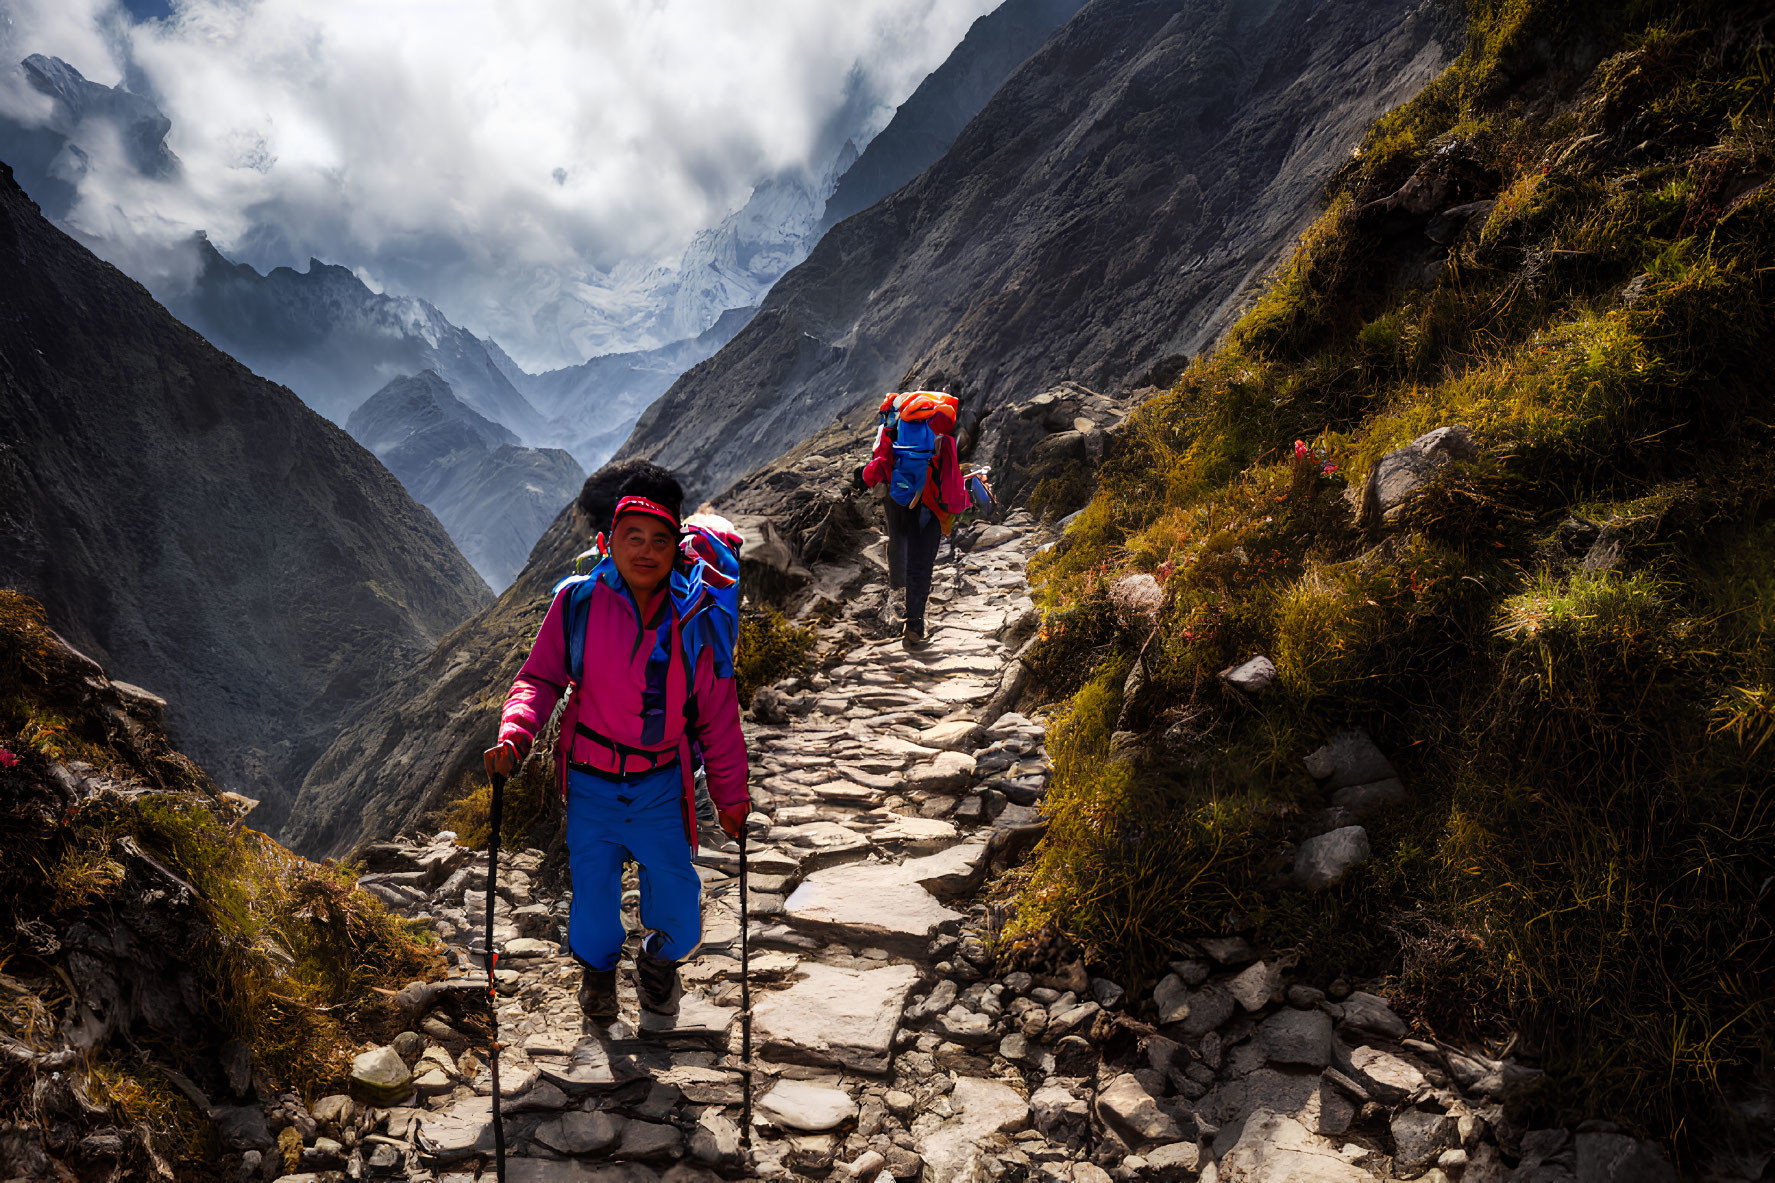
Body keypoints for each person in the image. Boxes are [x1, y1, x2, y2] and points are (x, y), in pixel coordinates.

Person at [483, 462, 750, 1021]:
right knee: (595, 901)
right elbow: (539, 679)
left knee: (676, 900)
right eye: (635, 538)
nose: (646, 551)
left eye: (660, 540)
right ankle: (599, 975)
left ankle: (658, 963)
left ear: (676, 546)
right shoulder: (577, 604)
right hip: (590, 782)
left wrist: (731, 796)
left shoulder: (695, 616)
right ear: (612, 542)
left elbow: (717, 716)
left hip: (660, 783)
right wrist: (516, 732)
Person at [854, 392, 968, 648]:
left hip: (898, 496)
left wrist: (867, 478)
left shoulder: (890, 427)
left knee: (898, 542)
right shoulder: (941, 429)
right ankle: (915, 622)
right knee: (922, 560)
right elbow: (951, 472)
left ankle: (897, 596)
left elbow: (878, 462)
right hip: (931, 500)